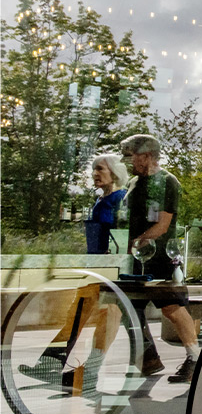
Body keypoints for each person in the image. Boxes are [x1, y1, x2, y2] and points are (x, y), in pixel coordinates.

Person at [18, 153, 131, 390]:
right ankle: (56, 362)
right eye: (93, 169)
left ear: (114, 172)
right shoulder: (101, 200)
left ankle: (68, 365)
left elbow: (120, 234)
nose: (94, 174)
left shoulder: (120, 199)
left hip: (108, 268)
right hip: (95, 266)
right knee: (80, 313)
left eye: (100, 169)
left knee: (97, 314)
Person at [121, 133, 201, 383]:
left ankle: (195, 359)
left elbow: (163, 224)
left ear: (146, 155)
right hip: (134, 258)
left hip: (160, 256)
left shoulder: (167, 181)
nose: (131, 160)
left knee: (172, 308)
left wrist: (138, 241)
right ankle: (148, 358)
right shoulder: (134, 183)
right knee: (129, 309)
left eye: (134, 155)